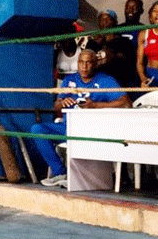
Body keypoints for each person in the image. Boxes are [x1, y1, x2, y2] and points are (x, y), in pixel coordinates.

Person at [31, 48, 131, 187]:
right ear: (77, 63)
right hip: (68, 127)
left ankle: (73, 178)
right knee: (37, 129)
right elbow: (56, 106)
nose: (84, 67)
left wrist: (95, 105)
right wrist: (61, 102)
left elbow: (126, 103)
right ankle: (61, 173)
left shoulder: (105, 80)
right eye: (81, 62)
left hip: (91, 131)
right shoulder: (70, 79)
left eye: (89, 63)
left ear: (95, 64)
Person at [137, 0, 158, 88]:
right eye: (155, 10)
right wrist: (143, 79)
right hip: (151, 75)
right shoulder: (144, 34)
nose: (157, 13)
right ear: (150, 15)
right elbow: (139, 62)